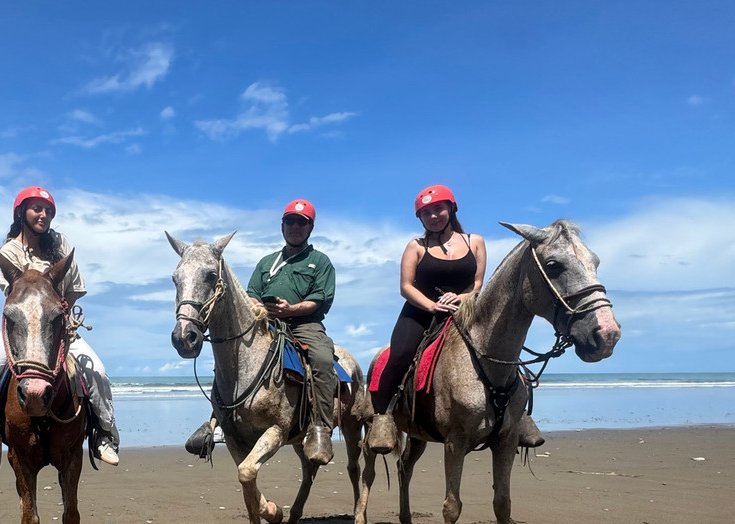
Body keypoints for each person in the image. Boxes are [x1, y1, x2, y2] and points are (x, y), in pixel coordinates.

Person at [367, 184, 544, 453]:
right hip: (420, 311)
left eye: (438, 209)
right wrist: (431, 305)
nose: (433, 216)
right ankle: (383, 418)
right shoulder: (416, 246)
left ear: (451, 208)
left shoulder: (475, 241)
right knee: (400, 355)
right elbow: (406, 286)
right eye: (425, 213)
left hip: (466, 309)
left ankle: (519, 416)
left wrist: (461, 298)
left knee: (502, 348)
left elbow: (477, 284)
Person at [0, 186, 120, 473]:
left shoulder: (60, 243)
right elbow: (16, 297)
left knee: (97, 372)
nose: (43, 215)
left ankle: (104, 434)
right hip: (22, 329)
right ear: (21, 212)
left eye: (48, 210)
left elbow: (73, 289)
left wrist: (59, 317)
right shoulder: (10, 251)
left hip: (59, 326)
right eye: (37, 209)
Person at [188, 199, 338, 465]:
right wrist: (257, 305)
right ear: (282, 226)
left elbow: (319, 300)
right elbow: (251, 295)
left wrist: (291, 309)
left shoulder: (319, 261)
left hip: (304, 325)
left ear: (310, 228)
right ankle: (218, 420)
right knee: (232, 358)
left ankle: (321, 428)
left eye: (301, 222)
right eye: (290, 221)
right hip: (266, 321)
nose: (295, 227)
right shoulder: (267, 262)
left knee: (323, 360)